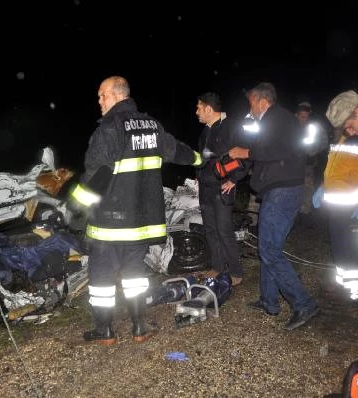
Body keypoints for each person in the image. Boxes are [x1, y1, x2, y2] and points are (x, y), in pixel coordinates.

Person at [69, 76, 203, 345]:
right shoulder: (152, 125)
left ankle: (105, 331)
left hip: (109, 224)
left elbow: (97, 177)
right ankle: (140, 327)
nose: (99, 101)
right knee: (135, 276)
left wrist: (73, 209)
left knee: (102, 279)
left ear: (118, 95)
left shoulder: (109, 129)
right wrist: (201, 158)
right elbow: (177, 151)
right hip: (141, 223)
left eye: (102, 95)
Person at [228, 82, 319, 331]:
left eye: (251, 103)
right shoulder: (281, 119)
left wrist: (245, 152)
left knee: (268, 249)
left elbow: (274, 149)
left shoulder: (277, 118)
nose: (251, 109)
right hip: (279, 190)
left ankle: (303, 303)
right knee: (270, 246)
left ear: (261, 101)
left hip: (282, 191)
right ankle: (269, 301)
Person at [194, 92, 244, 286]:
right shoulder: (205, 130)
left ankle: (236, 272)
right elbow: (203, 157)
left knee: (224, 231)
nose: (196, 111)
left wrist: (234, 179)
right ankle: (218, 266)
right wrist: (197, 175)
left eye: (199, 107)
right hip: (205, 188)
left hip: (222, 188)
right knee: (210, 230)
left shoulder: (231, 127)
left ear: (208, 108)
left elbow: (243, 155)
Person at [313, 103, 358, 300]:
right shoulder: (345, 138)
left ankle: (354, 289)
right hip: (338, 206)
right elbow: (336, 167)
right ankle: (345, 285)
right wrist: (324, 186)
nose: (348, 123)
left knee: (351, 248)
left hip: (351, 206)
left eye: (354, 116)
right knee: (340, 246)